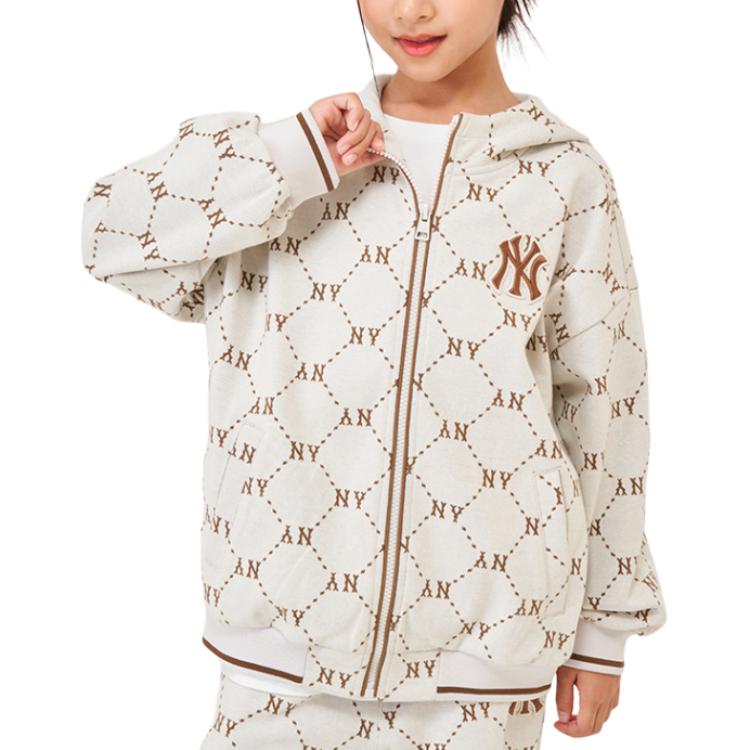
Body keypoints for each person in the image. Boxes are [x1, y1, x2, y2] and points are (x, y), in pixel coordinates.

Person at [79, 1, 667, 747]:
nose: (411, 9)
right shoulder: (292, 168)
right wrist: (291, 158)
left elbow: (606, 405)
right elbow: (108, 233)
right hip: (280, 661)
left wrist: (601, 631)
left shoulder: (563, 179)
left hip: (484, 669)